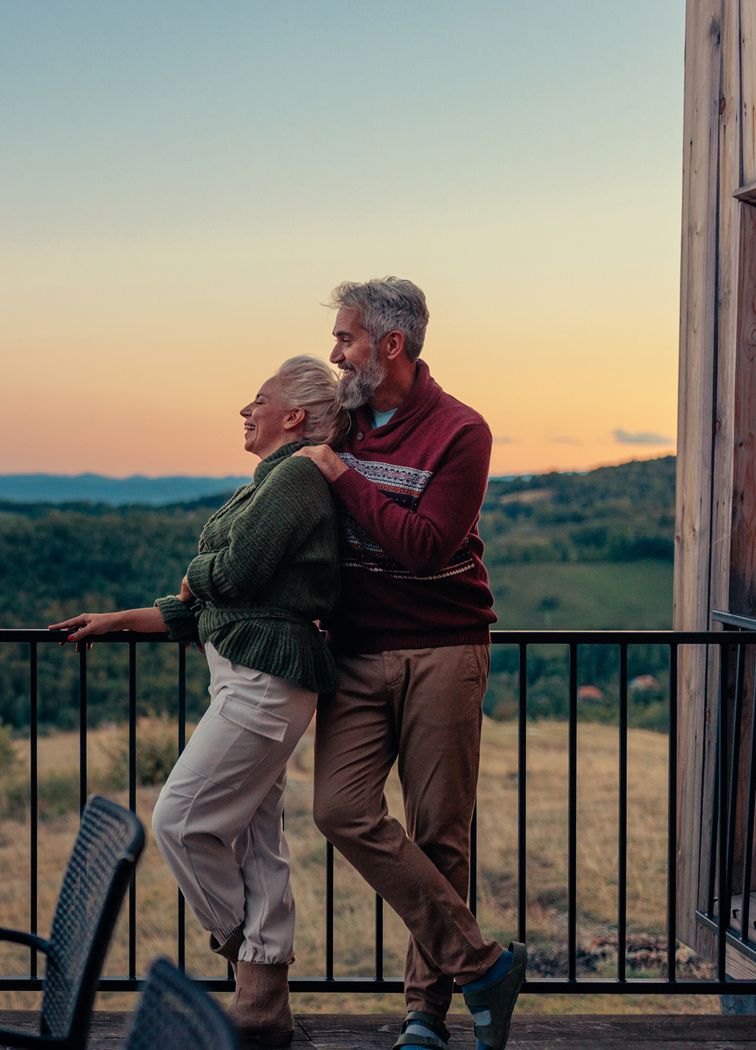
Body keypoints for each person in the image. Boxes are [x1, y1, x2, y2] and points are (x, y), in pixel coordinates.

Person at [49, 355, 347, 1049]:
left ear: (293, 416)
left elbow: (232, 575)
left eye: (258, 399)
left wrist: (195, 574)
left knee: (180, 820)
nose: (246, 410)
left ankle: (252, 961)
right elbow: (212, 606)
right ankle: (264, 1008)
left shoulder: (297, 476)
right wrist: (119, 620)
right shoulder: (271, 484)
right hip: (253, 680)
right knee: (256, 837)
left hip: (263, 688)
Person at [294, 279, 526, 1050]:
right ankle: (483, 965)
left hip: (443, 647)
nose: (336, 352)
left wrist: (341, 476)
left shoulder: (462, 431)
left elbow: (426, 544)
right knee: (340, 809)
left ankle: (424, 1015)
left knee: (440, 834)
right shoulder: (342, 422)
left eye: (347, 338)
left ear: (390, 346)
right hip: (355, 651)